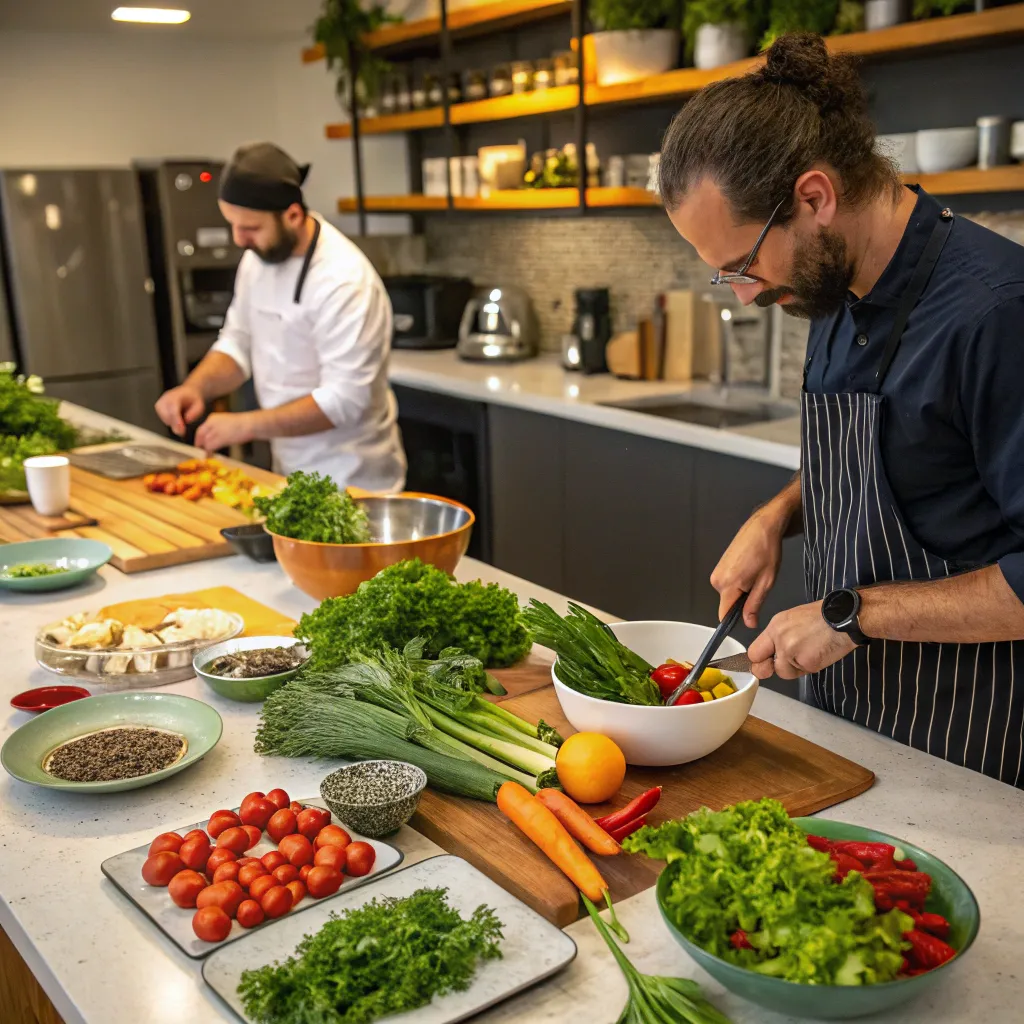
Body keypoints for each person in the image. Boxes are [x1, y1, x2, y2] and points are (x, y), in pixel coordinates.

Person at [657, 33, 1024, 787]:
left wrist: (849, 615)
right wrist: (779, 514)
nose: (746, 294)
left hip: (970, 756)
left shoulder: (997, 315)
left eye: (742, 265)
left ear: (815, 198)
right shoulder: (831, 285)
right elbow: (907, 454)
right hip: (849, 727)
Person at [155, 141, 406, 493]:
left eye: (250, 228)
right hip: (288, 474)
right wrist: (195, 387)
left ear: (292, 215)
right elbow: (238, 342)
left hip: (353, 479)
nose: (239, 239)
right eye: (232, 225)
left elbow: (344, 401)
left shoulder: (345, 281)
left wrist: (246, 425)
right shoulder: (257, 260)